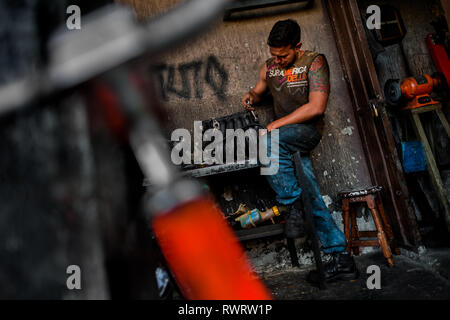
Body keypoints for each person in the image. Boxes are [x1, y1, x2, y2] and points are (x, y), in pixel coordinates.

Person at [241, 19, 358, 283]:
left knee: (267, 142)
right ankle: (341, 258)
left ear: (298, 47)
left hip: (305, 133)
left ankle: (291, 206)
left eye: (283, 55)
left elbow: (316, 108)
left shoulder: (314, 63)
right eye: (274, 55)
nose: (278, 60)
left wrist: (274, 125)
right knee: (311, 194)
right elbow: (258, 92)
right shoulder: (270, 67)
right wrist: (250, 96)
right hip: (283, 141)